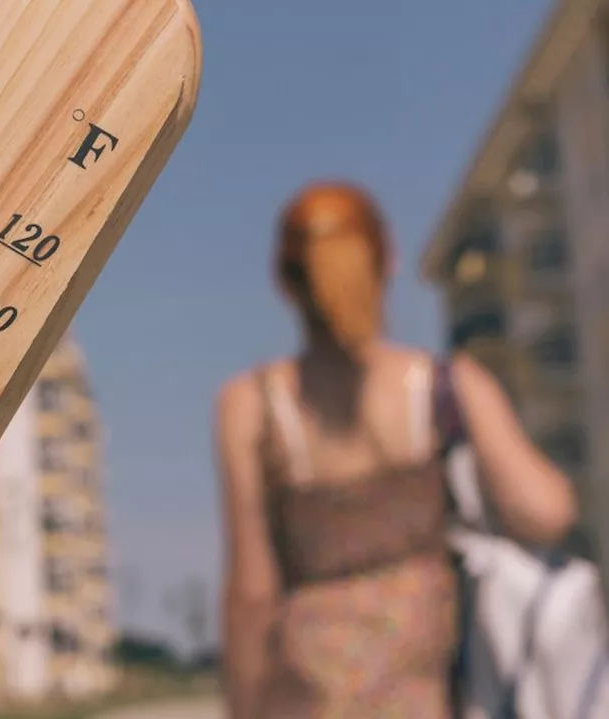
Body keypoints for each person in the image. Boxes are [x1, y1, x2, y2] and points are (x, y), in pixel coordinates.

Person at [212, 181, 578, 718]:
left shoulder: (252, 405)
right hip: (429, 681)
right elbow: (545, 512)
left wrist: (244, 706)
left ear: (284, 283)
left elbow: (253, 592)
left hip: (311, 691)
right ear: (389, 263)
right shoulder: (443, 383)